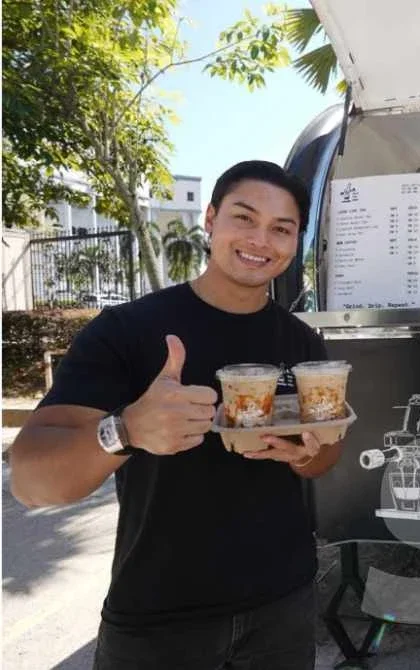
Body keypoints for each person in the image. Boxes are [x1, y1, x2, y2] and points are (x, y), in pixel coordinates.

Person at [8, 160, 342, 669]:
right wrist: (127, 430)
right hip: (159, 616)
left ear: (296, 240)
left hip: (283, 604)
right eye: (244, 217)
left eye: (282, 228)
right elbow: (32, 481)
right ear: (210, 219)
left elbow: (323, 458)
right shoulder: (129, 329)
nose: (260, 239)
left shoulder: (302, 341)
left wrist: (303, 454)